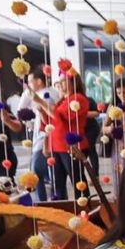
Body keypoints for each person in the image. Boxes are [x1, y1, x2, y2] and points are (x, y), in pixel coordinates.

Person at [36, 71, 90, 200]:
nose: (59, 84)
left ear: (74, 82)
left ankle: (85, 209)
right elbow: (49, 123)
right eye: (58, 82)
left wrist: (42, 103)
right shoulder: (62, 100)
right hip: (56, 146)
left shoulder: (78, 99)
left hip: (71, 147)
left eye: (63, 81)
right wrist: (46, 144)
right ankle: (61, 210)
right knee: (57, 183)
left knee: (78, 182)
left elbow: (61, 118)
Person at [16, 72, 59, 202]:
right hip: (41, 136)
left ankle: (43, 202)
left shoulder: (46, 96)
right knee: (48, 173)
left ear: (39, 81)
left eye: (30, 81)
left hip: (43, 138)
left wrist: (46, 140)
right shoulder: (46, 93)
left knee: (37, 171)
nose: (28, 85)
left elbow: (50, 120)